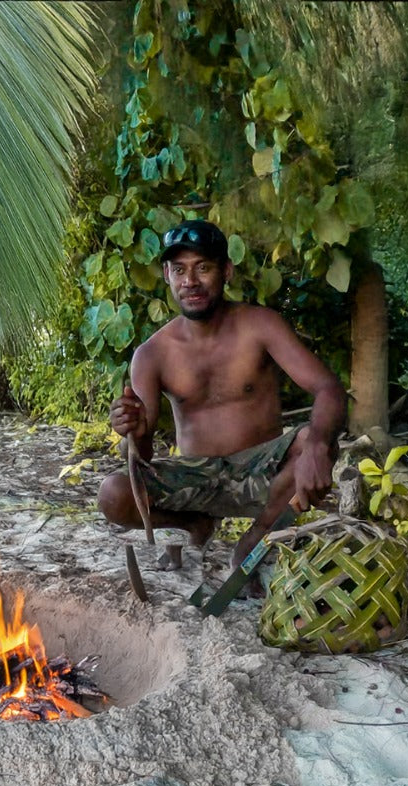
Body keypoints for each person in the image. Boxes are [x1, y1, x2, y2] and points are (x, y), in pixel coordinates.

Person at [96, 220, 347, 578]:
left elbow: (328, 389)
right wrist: (131, 430)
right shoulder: (151, 355)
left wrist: (319, 446)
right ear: (166, 274)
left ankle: (257, 537)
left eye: (203, 267)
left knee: (314, 440)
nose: (190, 281)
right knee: (113, 492)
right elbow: (142, 457)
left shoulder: (261, 325)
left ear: (226, 271)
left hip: (264, 474)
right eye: (179, 270)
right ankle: (195, 523)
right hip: (196, 477)